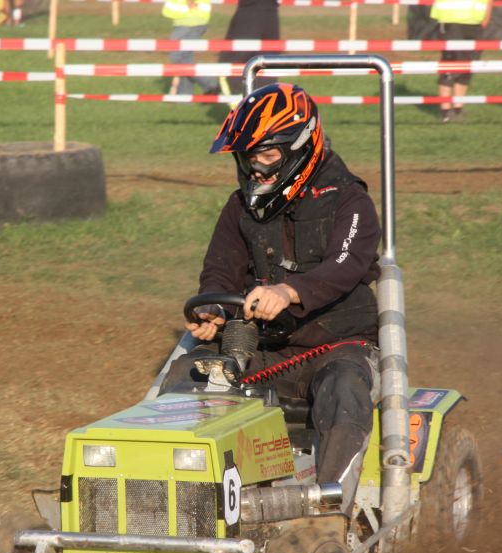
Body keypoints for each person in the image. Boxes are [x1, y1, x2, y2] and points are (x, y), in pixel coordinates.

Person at [161, 83, 382, 511]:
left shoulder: (351, 202)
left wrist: (290, 290)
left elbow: (346, 264)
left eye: (266, 155)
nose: (256, 169)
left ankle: (326, 514)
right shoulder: (240, 207)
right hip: (263, 349)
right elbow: (219, 270)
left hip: (338, 347)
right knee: (188, 375)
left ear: (300, 148)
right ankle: (177, 505)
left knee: (344, 393)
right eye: (249, 157)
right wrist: (212, 309)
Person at [431, 0, 492, 123]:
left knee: (468, 66)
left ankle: (458, 109)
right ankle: (446, 112)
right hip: (450, 20)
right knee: (450, 65)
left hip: (475, 23)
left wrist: (485, 18)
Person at [217, 0, 280, 96]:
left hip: (252, 10)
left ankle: (243, 104)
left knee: (230, 63)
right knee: (268, 61)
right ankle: (262, 102)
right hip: (270, 10)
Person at [163, 0, 219, 96]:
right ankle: (185, 98)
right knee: (185, 58)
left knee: (178, 59)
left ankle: (210, 83)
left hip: (190, 21)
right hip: (188, 20)